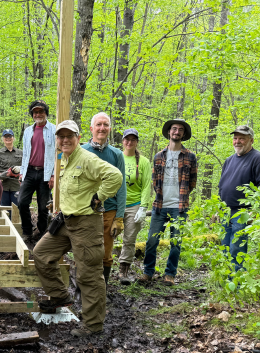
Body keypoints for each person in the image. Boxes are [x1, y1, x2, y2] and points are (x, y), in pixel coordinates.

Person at [33, 120, 122, 337]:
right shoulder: (65, 159)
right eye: (61, 136)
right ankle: (60, 296)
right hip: (66, 221)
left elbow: (115, 176)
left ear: (78, 138)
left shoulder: (87, 158)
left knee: (88, 274)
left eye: (69, 136)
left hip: (86, 224)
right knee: (42, 253)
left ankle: (93, 324)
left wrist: (99, 197)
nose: (65, 140)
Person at [139, 119, 197, 286]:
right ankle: (148, 272)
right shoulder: (159, 156)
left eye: (180, 130)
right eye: (174, 129)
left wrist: (182, 196)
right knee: (151, 241)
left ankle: (169, 274)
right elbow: (154, 180)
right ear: (169, 132)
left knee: (176, 243)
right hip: (160, 206)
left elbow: (192, 182)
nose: (176, 132)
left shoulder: (190, 156)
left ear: (183, 134)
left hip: (179, 207)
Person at [218, 125, 260, 272]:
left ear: (251, 141)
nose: (237, 141)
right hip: (225, 211)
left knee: (237, 249)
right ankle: (227, 282)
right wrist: (218, 208)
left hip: (243, 213)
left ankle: (237, 285)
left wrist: (255, 209)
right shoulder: (229, 160)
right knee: (224, 248)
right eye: (235, 138)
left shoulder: (259, 159)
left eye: (242, 138)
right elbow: (222, 186)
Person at [81, 112, 126, 288]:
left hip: (110, 210)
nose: (102, 128)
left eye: (106, 125)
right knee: (84, 251)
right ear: (92, 128)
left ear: (109, 128)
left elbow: (121, 187)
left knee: (106, 253)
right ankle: (82, 287)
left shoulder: (116, 154)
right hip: (85, 210)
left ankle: (102, 288)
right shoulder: (82, 151)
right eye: (98, 124)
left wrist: (119, 217)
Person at [118, 128, 152, 285]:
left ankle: (123, 271)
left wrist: (143, 207)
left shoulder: (143, 162)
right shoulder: (117, 157)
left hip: (134, 205)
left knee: (129, 239)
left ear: (136, 142)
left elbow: (146, 186)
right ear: (123, 141)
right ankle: (102, 267)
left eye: (133, 140)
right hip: (116, 203)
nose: (129, 142)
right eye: (127, 139)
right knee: (107, 236)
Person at [19, 100, 56, 243]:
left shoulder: (54, 129)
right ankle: (27, 232)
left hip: (45, 174)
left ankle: (41, 233)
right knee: (22, 202)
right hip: (29, 171)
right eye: (35, 112)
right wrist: (22, 172)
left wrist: (53, 174)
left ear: (46, 113)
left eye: (41, 111)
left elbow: (57, 154)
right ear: (32, 114)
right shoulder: (28, 131)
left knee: (43, 207)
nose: (38, 114)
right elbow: (26, 154)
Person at [0, 129, 23, 207]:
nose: (8, 138)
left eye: (10, 136)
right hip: (3, 186)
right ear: (3, 139)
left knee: (16, 209)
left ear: (13, 138)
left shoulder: (21, 153)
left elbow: (26, 167)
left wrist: (20, 168)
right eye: (6, 136)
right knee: (4, 209)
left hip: (16, 186)